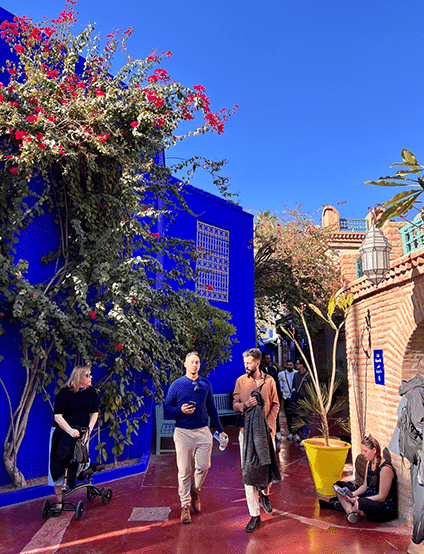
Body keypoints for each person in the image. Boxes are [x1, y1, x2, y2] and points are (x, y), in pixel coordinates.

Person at [164, 352, 226, 525]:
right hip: (183, 432)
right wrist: (180, 410)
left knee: (203, 466)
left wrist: (220, 431)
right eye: (191, 362)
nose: (194, 365)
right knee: (184, 471)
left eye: (197, 362)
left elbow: (212, 409)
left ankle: (195, 490)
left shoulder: (206, 384)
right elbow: (167, 408)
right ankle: (185, 506)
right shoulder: (177, 385)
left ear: (199, 365)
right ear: (185, 364)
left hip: (203, 431)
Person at [233, 347, 280, 533]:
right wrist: (244, 405)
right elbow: (234, 404)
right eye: (244, 362)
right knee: (248, 474)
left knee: (268, 469)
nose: (245, 365)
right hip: (246, 434)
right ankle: (254, 515)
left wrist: (269, 426)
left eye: (249, 362)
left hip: (267, 433)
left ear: (257, 363)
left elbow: (276, 404)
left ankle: (264, 492)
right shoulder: (240, 381)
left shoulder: (270, 381)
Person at [49, 365, 98, 509]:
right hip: (63, 432)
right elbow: (58, 416)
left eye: (90, 374)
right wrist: (70, 431)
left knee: (79, 462)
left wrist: (88, 431)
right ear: (79, 377)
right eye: (87, 375)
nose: (91, 378)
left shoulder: (91, 392)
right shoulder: (65, 393)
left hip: (81, 433)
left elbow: (94, 412)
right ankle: (59, 503)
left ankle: (73, 483)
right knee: (59, 463)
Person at [331, 435, 397, 524]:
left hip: (383, 507)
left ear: (374, 450)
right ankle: (352, 513)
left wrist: (356, 499)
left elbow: (382, 497)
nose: (363, 453)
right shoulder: (369, 463)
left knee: (360, 502)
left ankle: (352, 511)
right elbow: (365, 486)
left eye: (365, 451)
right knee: (339, 486)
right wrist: (351, 495)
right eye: (362, 451)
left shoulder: (385, 469)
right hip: (367, 497)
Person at [260, 352, 282, 440]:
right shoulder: (259, 369)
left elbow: (276, 383)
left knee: (275, 414)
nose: (269, 360)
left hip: (273, 395)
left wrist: (279, 395)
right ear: (263, 360)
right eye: (267, 358)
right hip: (263, 396)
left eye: (269, 358)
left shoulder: (272, 369)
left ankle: (276, 431)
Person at [291, 358, 312, 442]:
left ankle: (304, 438)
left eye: (298, 364)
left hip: (306, 400)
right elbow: (294, 386)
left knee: (305, 419)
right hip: (297, 399)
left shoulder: (308, 376)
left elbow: (312, 389)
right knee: (297, 418)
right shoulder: (296, 375)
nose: (296, 365)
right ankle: (302, 433)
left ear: (302, 365)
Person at [278, 360, 298, 440]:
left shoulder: (296, 373)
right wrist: (282, 390)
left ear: (293, 365)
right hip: (286, 397)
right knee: (288, 416)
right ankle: (290, 432)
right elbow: (280, 383)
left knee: (296, 416)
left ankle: (296, 433)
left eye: (291, 364)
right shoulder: (281, 374)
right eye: (288, 365)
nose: (289, 366)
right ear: (286, 366)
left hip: (295, 397)